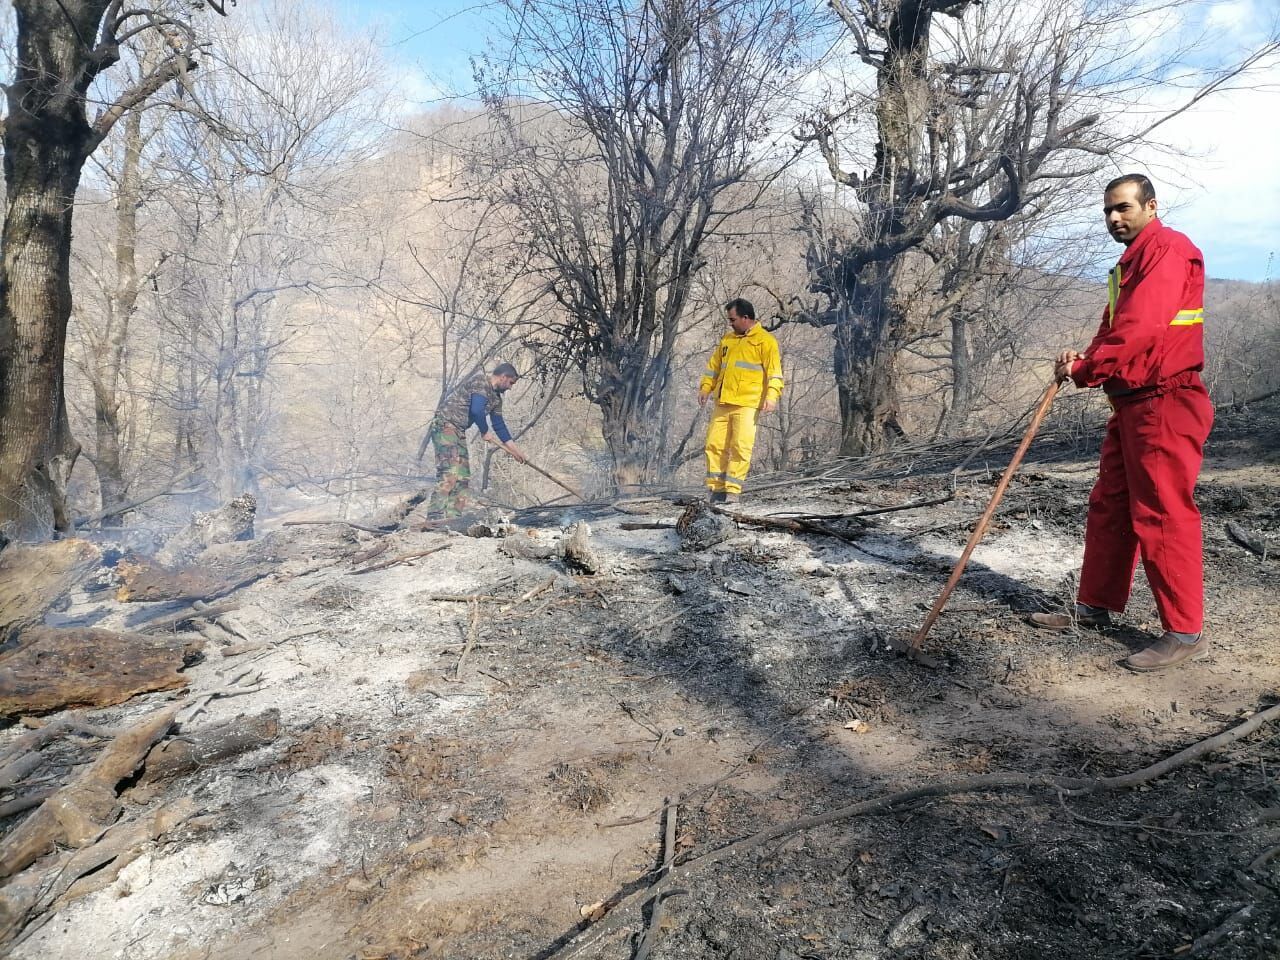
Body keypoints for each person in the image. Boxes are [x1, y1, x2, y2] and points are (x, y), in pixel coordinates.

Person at [1030, 174, 1213, 672]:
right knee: (1110, 504)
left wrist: (1085, 370)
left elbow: (1143, 328)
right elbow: (1116, 328)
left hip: (1165, 403)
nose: (1114, 218)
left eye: (1124, 208)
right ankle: (1095, 607)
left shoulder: (1169, 251)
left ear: (1151, 206)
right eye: (1108, 211)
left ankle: (1184, 631)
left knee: (1161, 512)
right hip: (1131, 403)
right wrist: (1085, 357)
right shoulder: (1129, 262)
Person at [699, 298, 784, 504]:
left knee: (740, 447)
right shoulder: (727, 340)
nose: (731, 323)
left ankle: (732, 492)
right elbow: (714, 366)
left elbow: (775, 375)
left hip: (747, 405)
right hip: (723, 402)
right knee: (714, 445)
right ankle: (716, 490)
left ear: (746, 318)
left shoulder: (766, 341)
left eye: (733, 319)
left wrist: (771, 397)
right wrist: (705, 387)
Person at [424, 363, 526, 521]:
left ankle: (453, 518)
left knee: (463, 477)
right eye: (511, 383)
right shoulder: (480, 382)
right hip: (444, 425)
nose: (510, 387)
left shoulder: (496, 400)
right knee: (450, 471)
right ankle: (434, 518)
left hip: (458, 431)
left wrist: (515, 451)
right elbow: (476, 410)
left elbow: (499, 426)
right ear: (503, 377)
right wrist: (484, 431)